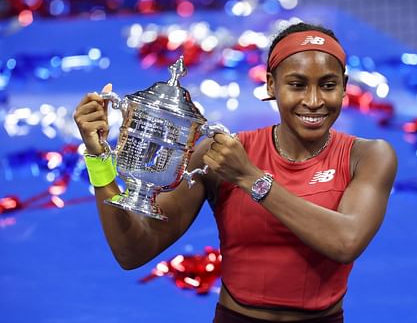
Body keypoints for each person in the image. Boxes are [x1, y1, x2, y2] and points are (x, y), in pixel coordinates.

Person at [74, 22, 397, 322]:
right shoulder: (221, 155)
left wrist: (250, 178)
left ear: (344, 88)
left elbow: (346, 242)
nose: (313, 101)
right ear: (271, 85)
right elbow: (133, 251)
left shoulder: (368, 156)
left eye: (327, 85)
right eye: (297, 85)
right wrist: (98, 158)